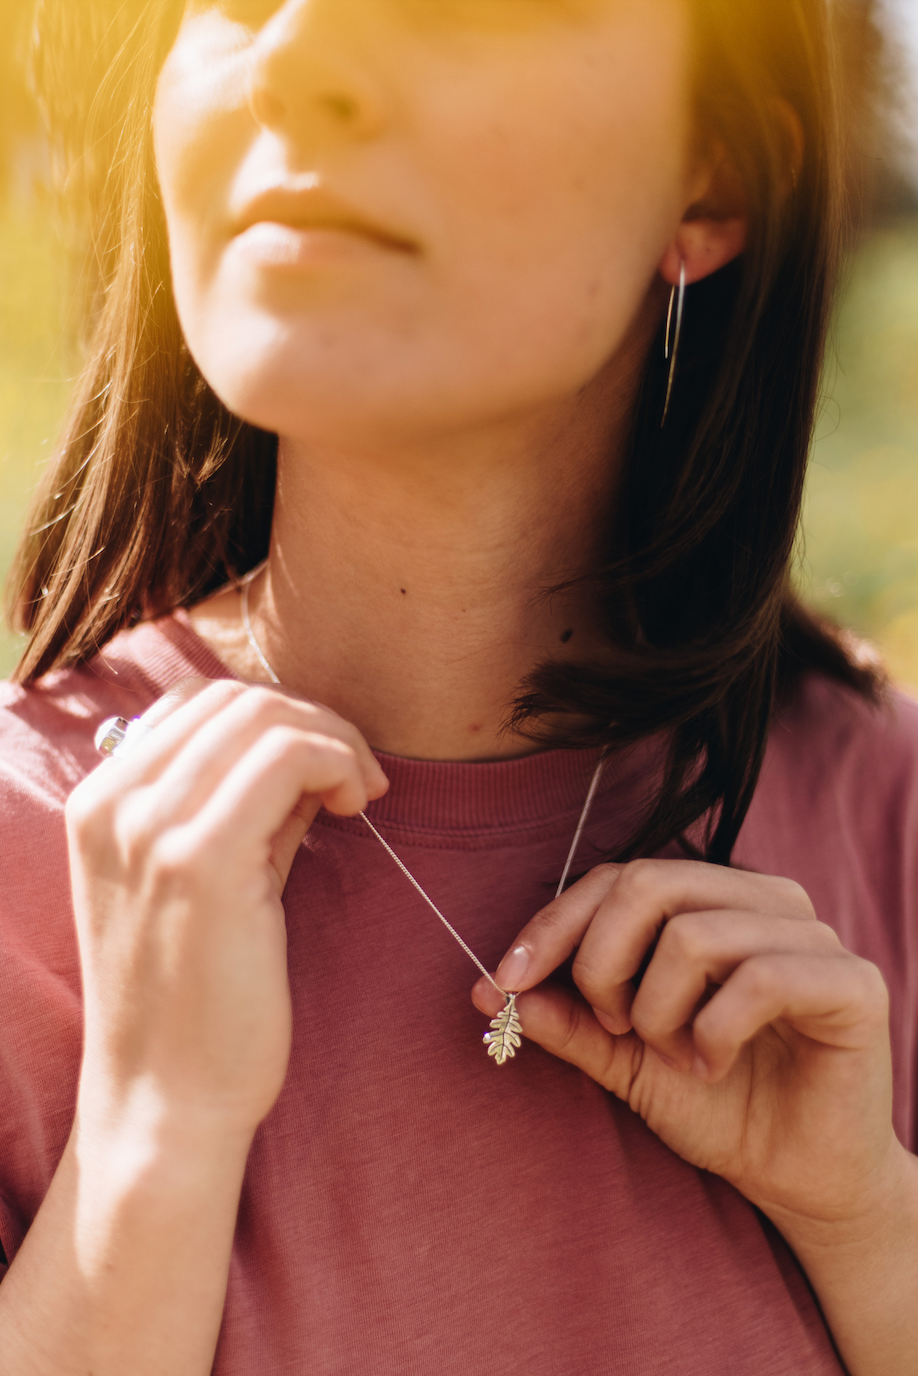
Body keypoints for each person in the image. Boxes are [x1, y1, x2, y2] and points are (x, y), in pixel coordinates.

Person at [0, 0, 916, 1371]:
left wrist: (868, 1221)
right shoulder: (23, 864)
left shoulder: (885, 821)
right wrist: (150, 1140)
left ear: (712, 172)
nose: (299, 58)